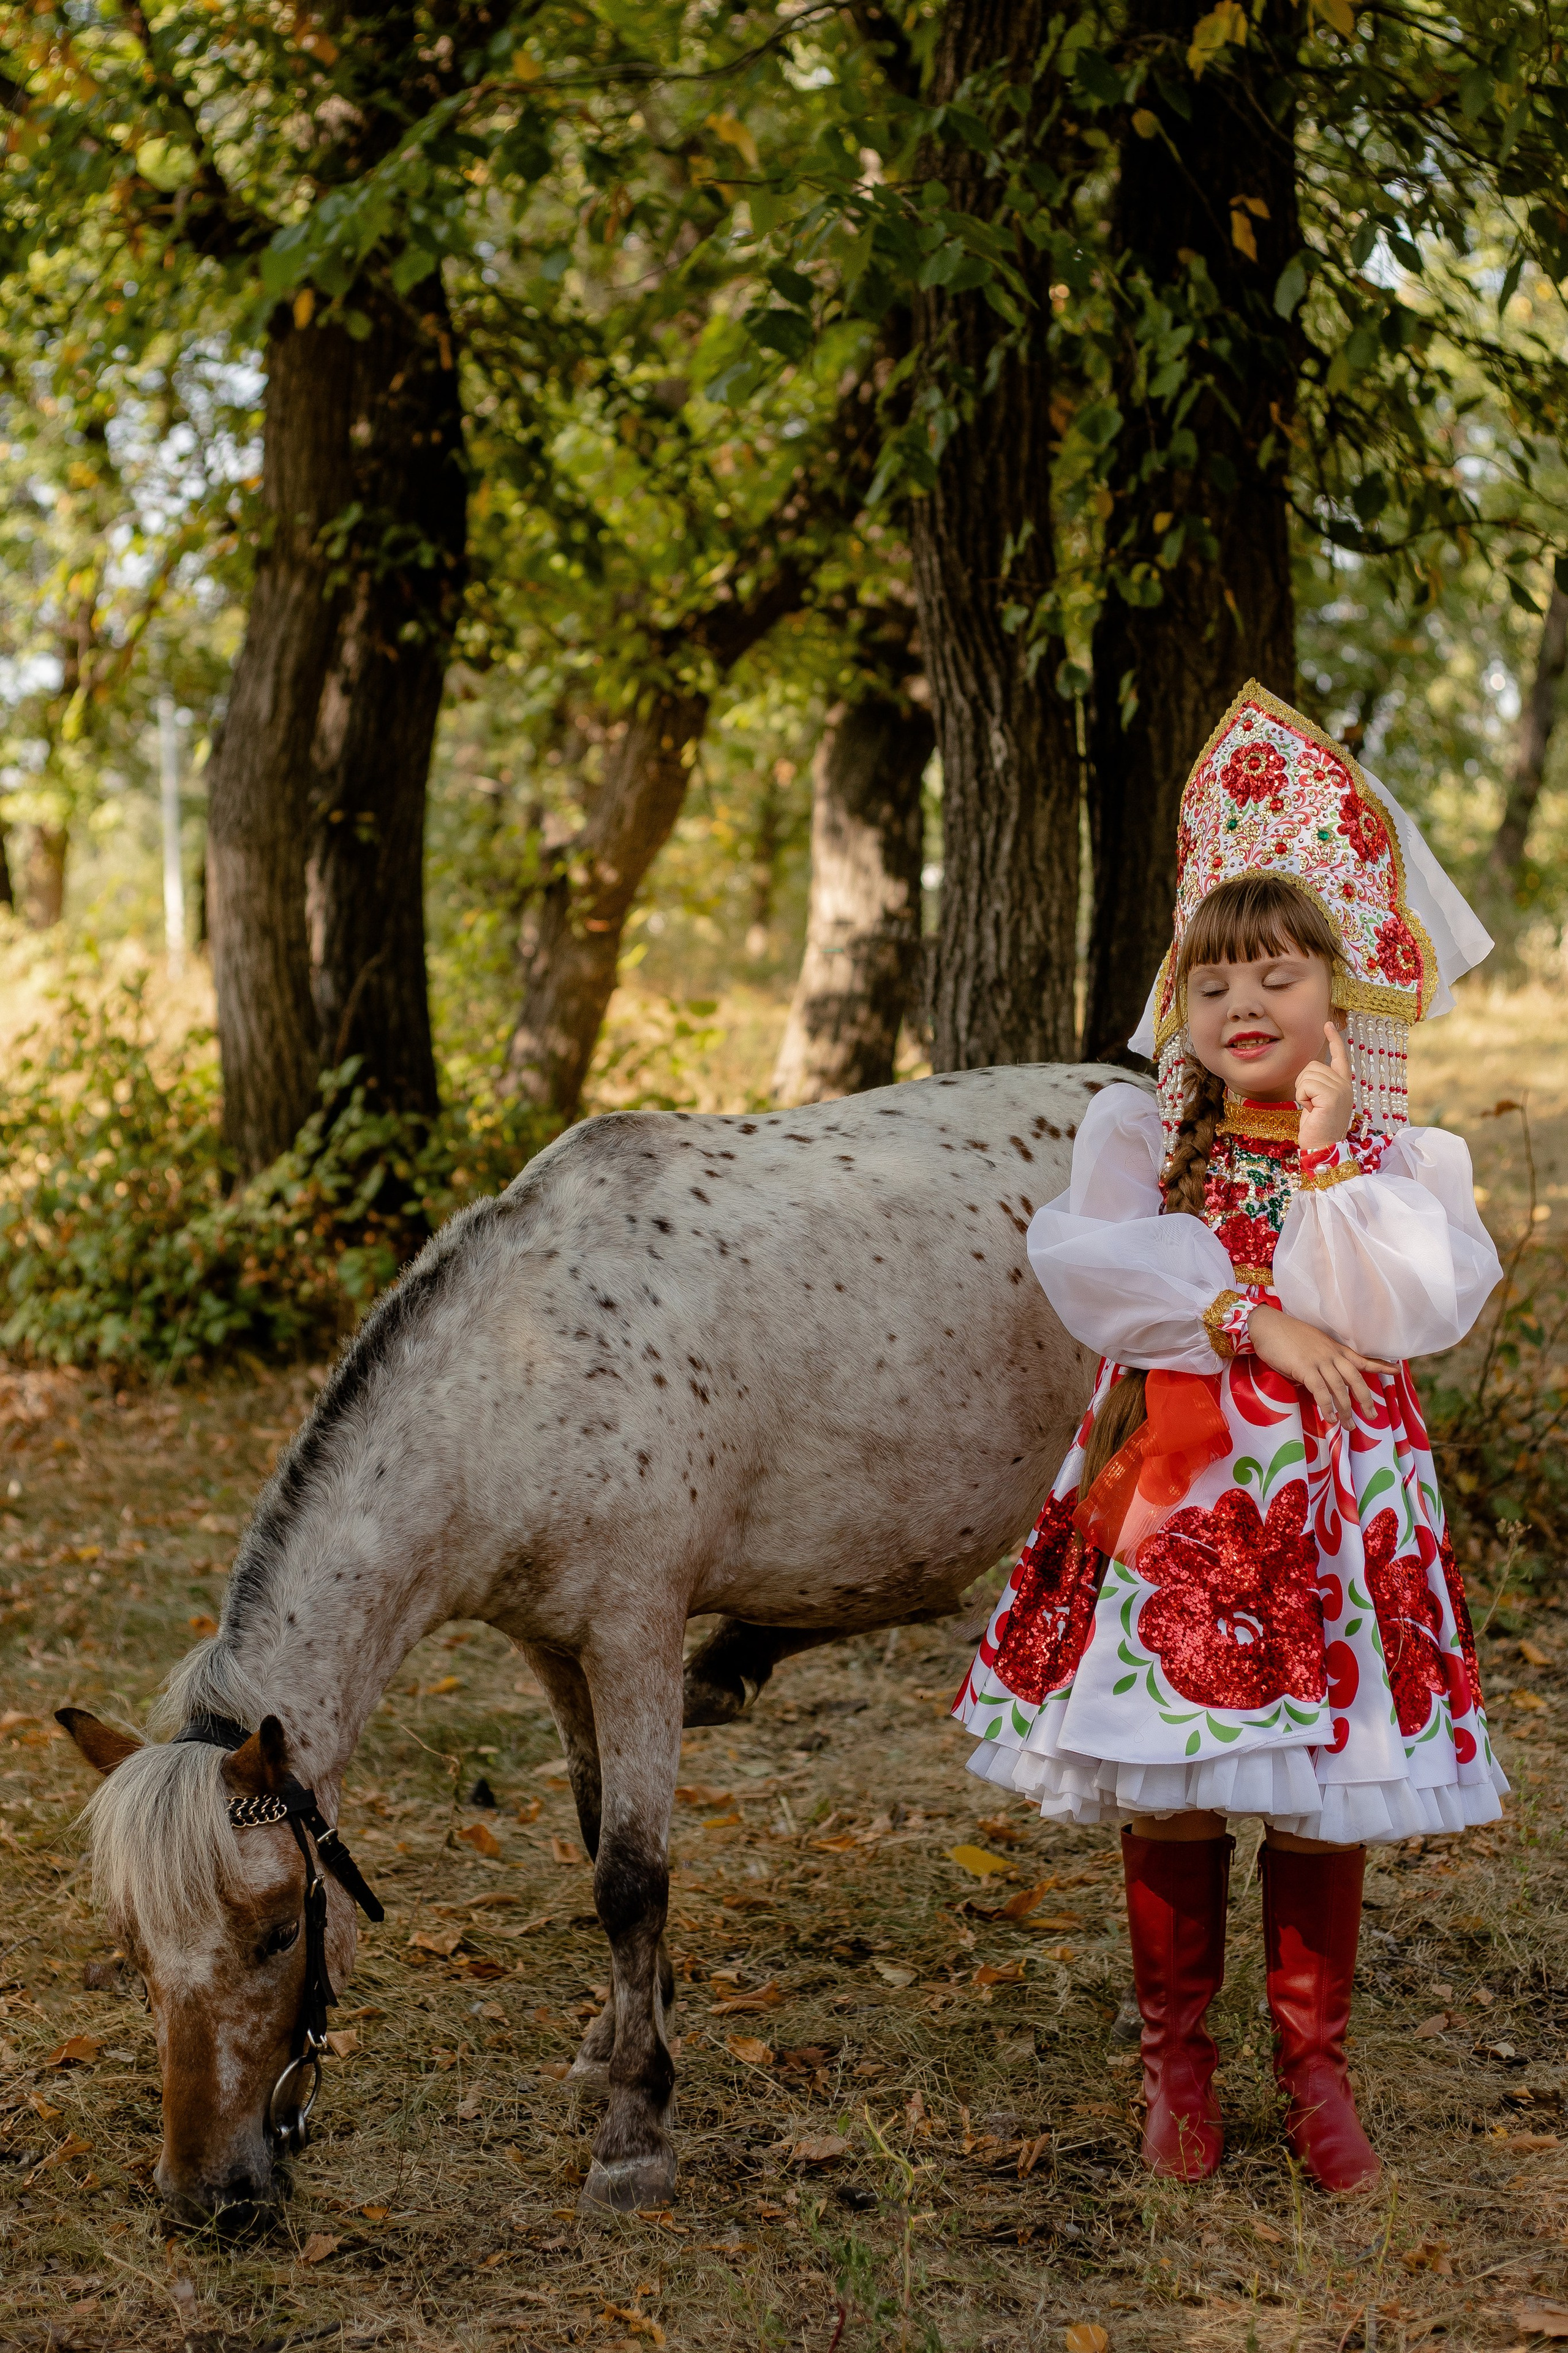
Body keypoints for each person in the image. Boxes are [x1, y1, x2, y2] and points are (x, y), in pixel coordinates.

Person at [953, 682, 1505, 2192]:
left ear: (1338, 991)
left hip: (1337, 1502)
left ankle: (1314, 2072)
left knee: (1329, 1779)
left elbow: (1409, 1301)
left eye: (1275, 973)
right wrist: (1244, 1319)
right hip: (1189, 1495)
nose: (1243, 1006)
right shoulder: (1138, 1135)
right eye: (1212, 984)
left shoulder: (1398, 1154)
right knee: (1182, 1765)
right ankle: (1175, 2071)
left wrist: (1324, 1166)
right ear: (1176, 1007)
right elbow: (1094, 1270)